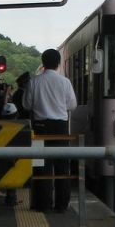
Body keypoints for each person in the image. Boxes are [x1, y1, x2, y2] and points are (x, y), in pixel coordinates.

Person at [22, 49, 77, 213]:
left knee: (41, 166)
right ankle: (61, 205)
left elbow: (26, 105)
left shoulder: (34, 82)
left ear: (43, 63)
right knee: (62, 166)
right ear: (58, 63)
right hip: (60, 127)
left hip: (40, 128)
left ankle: (43, 204)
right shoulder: (65, 82)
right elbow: (72, 105)